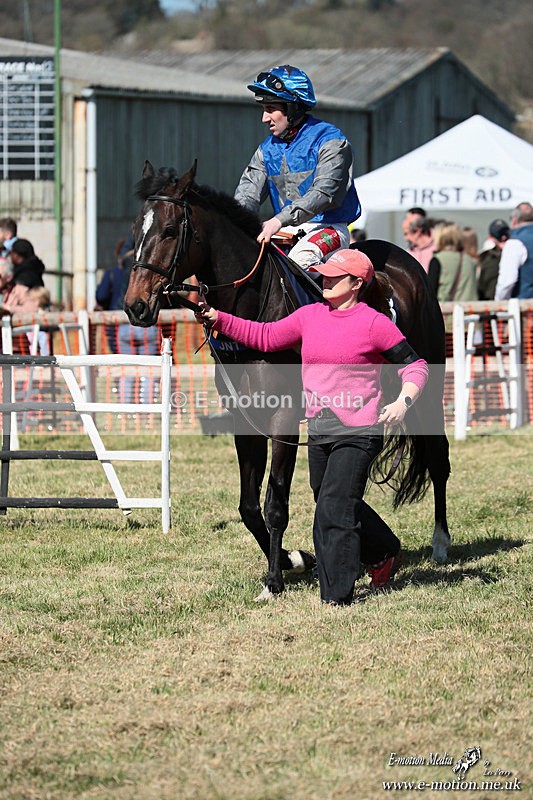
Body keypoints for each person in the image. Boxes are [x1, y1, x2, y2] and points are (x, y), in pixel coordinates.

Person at [195, 248, 428, 604]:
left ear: (355, 284)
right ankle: (384, 551)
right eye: (324, 274)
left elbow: (416, 366)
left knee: (333, 509)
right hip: (321, 428)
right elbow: (264, 336)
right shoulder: (309, 316)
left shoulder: (373, 323)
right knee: (330, 497)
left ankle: (336, 596)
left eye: (334, 276)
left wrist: (403, 402)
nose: (325, 280)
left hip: (360, 429)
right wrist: (219, 318)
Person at [234, 65, 361, 273]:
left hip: (329, 228)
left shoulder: (332, 141)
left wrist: (278, 220)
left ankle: (324, 306)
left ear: (292, 108)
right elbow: (247, 196)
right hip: (284, 230)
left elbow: (324, 194)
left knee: (299, 261)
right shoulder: (266, 149)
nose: (264, 119)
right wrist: (235, 222)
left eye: (270, 110)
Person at [495, 202, 533, 300]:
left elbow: (507, 282)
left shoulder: (515, 243)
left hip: (526, 307)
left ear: (514, 219)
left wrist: (499, 303)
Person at [431, 222, 477, 302]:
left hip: (446, 311)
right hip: (469, 311)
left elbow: (430, 291)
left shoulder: (438, 260)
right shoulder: (470, 260)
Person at [477, 219, 510, 301]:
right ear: (491, 238)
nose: (503, 237)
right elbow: (483, 286)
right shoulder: (488, 258)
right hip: (491, 301)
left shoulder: (515, 251)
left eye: (505, 233)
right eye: (499, 235)